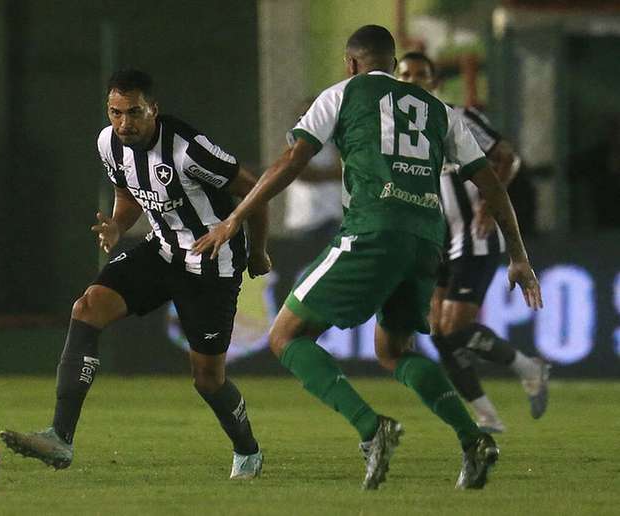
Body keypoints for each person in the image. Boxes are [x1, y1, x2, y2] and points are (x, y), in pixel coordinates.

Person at [193, 25, 542, 490]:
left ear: (351, 62)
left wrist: (235, 217)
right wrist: (519, 257)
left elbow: (291, 161)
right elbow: (493, 184)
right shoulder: (439, 109)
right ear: (393, 62)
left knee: (284, 337)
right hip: (427, 242)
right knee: (394, 351)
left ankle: (370, 428)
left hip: (373, 230)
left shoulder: (342, 94)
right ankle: (473, 438)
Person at [1, 69, 271, 480]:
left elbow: (257, 190)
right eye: (115, 112)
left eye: (134, 112)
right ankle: (60, 437)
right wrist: (116, 225)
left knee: (208, 380)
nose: (124, 123)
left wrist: (258, 249)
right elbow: (128, 193)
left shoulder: (188, 150)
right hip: (162, 251)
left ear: (153, 110)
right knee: (87, 308)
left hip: (212, 265)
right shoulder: (108, 143)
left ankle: (247, 450)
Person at [396, 52, 550, 433]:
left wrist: (486, 205)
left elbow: (507, 157)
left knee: (455, 327)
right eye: (406, 75)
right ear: (396, 81)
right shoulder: (397, 129)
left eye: (421, 75)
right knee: (439, 332)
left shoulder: (458, 117)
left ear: (434, 82)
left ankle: (527, 366)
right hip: (437, 236)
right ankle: (487, 414)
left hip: (474, 233)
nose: (414, 81)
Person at [276, 97, 344, 306]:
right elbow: (301, 172)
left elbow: (345, 168)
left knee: (332, 273)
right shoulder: (294, 142)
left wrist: (331, 172)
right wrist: (333, 174)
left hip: (332, 220)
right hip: (306, 223)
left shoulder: (336, 141)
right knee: (294, 274)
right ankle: (282, 315)